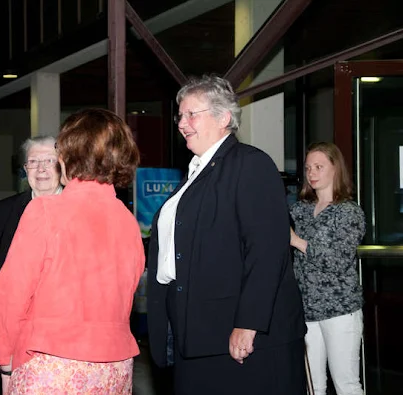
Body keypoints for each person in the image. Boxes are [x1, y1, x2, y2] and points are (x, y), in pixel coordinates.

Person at [146, 74, 308, 395]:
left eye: (192, 114)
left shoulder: (250, 164)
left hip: (238, 336)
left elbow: (267, 251)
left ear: (224, 118)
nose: (182, 123)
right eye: (180, 115)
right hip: (197, 333)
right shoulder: (195, 172)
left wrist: (248, 324)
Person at [0, 108, 145, 393]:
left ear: (67, 156)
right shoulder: (127, 220)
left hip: (52, 365)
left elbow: (11, 294)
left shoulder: (45, 210)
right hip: (115, 367)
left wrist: (4, 361)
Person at [0, 135, 63, 394]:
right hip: (10, 335)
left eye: (49, 161)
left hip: (61, 337)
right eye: (34, 162)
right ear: (25, 170)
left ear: (62, 165)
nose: (42, 169)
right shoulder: (4, 211)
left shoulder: (76, 210)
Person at [290, 142, 366, 395]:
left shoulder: (348, 212)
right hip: (307, 311)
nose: (312, 172)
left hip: (339, 310)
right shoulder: (300, 210)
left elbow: (337, 260)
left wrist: (296, 241)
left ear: (336, 169)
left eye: (319, 166)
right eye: (309, 167)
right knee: (313, 387)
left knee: (346, 384)